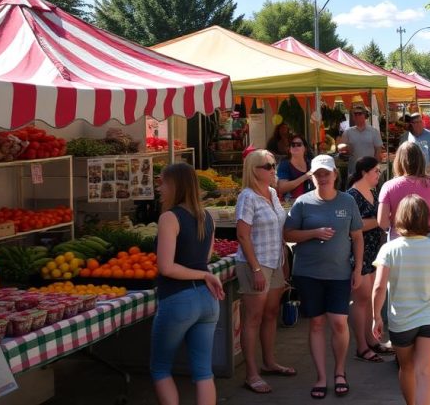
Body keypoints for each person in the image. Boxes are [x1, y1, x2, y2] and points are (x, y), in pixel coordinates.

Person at [283, 155, 364, 399]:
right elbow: (289, 234)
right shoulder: (302, 203)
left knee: (339, 322)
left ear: (335, 174)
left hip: (339, 273)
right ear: (312, 175)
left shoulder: (348, 201)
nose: (323, 177)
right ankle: (321, 376)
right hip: (308, 273)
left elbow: (357, 237)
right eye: (318, 173)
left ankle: (340, 371)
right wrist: (314, 232)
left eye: (326, 172)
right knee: (317, 323)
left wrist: (358, 268)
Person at [372, 195, 430, 405]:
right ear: (426, 219)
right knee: (425, 373)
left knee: (407, 368)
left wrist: (376, 317)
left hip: (402, 320)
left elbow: (379, 287)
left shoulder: (389, 249)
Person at [151, 163, 225, 405]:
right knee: (203, 372)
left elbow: (166, 267)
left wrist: (203, 275)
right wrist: (203, 275)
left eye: (162, 182)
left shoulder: (169, 217)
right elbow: (203, 261)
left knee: (160, 368)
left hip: (178, 299)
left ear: (175, 185)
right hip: (207, 301)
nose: (159, 187)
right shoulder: (207, 217)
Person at [234, 149, 294, 394]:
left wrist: (284, 258)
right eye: (267, 166)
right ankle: (251, 373)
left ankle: (269, 362)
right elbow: (242, 235)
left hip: (275, 260)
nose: (273, 169)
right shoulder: (247, 197)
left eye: (273, 165)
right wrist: (256, 268)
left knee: (271, 314)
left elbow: (280, 228)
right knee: (253, 318)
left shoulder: (271, 193)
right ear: (253, 170)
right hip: (255, 264)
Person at [346, 156, 392, 364]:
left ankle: (371, 340)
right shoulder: (352, 195)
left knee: (369, 298)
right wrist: (379, 222)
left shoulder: (373, 191)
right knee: (361, 299)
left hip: (374, 250)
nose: (378, 175)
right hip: (358, 252)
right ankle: (361, 346)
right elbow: (354, 227)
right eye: (375, 171)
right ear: (364, 172)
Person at [379, 142, 430, 241]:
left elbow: (382, 222)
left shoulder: (388, 186)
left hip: (399, 238)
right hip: (429, 235)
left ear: (398, 161)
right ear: (421, 160)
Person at [338, 104, 384, 177]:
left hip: (369, 169)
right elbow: (341, 147)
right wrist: (344, 148)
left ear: (365, 116)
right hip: (354, 169)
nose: (357, 116)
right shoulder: (348, 132)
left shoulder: (373, 131)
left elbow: (378, 150)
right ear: (353, 117)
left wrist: (376, 167)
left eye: (360, 113)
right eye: (355, 114)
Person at [276, 134, 313, 201]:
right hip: (290, 204)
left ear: (305, 148)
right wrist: (305, 177)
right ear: (289, 149)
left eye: (299, 144)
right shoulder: (285, 164)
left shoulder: (311, 164)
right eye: (293, 145)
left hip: (310, 201)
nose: (295, 146)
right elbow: (282, 188)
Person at [406, 113, 430, 179]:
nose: (419, 124)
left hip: (427, 172)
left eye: (420, 121)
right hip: (412, 172)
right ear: (412, 124)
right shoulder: (408, 135)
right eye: (416, 122)